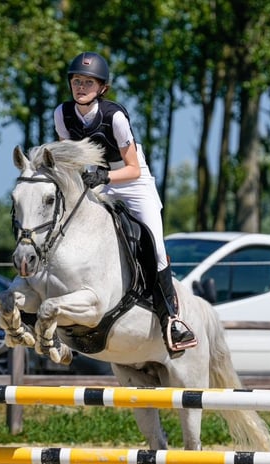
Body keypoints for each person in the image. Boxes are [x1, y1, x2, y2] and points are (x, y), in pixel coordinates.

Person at [53, 51, 197, 357]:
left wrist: (104, 176)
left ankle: (171, 319)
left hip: (131, 182)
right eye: (77, 81)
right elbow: (69, 162)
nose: (81, 87)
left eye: (88, 82)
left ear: (102, 88)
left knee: (155, 246)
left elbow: (132, 168)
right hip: (95, 181)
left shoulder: (114, 116)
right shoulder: (62, 115)